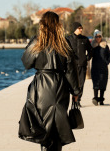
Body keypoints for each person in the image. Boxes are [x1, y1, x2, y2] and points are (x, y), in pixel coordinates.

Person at [18, 11, 80, 151]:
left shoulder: (37, 42)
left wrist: (32, 46)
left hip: (40, 87)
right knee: (58, 128)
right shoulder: (64, 43)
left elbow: (26, 63)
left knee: (43, 128)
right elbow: (71, 70)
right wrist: (75, 91)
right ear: (58, 25)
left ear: (42, 24)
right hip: (60, 87)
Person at [66, 22, 92, 106]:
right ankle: (71, 100)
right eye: (79, 28)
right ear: (75, 29)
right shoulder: (68, 39)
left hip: (82, 65)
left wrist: (87, 58)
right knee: (70, 83)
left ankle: (77, 101)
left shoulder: (85, 39)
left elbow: (91, 51)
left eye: (81, 28)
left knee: (81, 83)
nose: (81, 29)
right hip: (71, 66)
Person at [90, 29, 110, 106]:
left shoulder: (105, 46)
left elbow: (109, 56)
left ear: (101, 37)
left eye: (99, 36)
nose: (98, 38)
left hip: (103, 68)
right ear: (94, 37)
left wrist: (106, 62)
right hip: (95, 68)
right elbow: (89, 55)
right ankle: (95, 98)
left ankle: (101, 99)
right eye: (96, 36)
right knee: (95, 82)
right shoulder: (92, 46)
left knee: (103, 83)